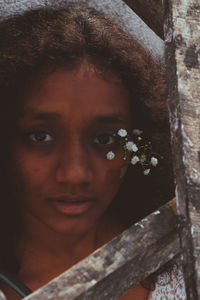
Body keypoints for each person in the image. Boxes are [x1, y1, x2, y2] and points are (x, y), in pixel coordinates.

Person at [0, 2, 185, 299]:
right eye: (41, 136)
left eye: (105, 140)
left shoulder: (183, 250)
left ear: (141, 142)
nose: (75, 174)